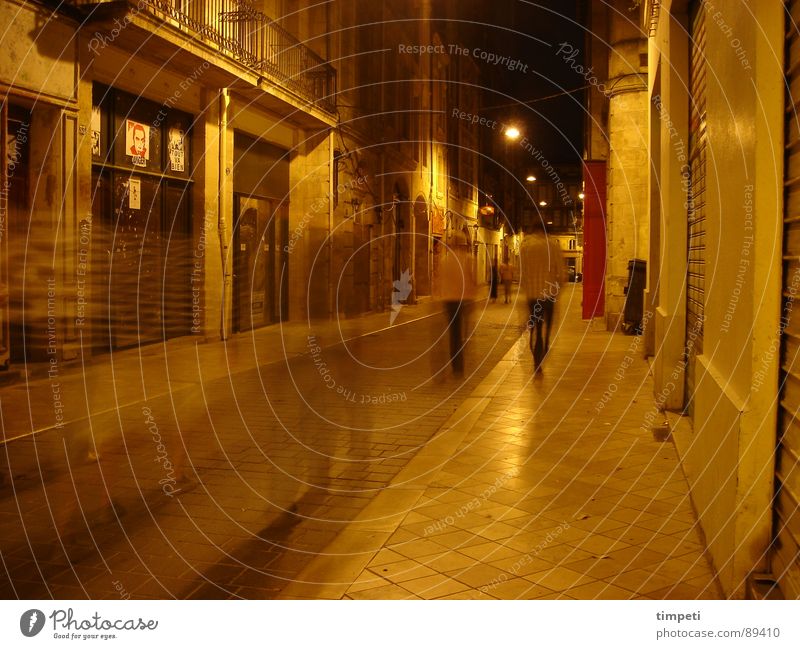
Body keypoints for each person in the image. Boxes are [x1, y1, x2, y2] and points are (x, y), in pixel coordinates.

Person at [519, 222, 564, 375]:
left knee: (535, 328)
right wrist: (558, 288)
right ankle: (544, 346)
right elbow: (562, 274)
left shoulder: (525, 246)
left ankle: (535, 355)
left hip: (532, 295)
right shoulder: (553, 245)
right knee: (547, 328)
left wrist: (526, 286)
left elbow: (522, 272)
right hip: (548, 295)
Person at [439, 233, 476, 377]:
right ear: (463, 245)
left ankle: (456, 365)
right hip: (463, 300)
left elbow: (441, 279)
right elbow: (470, 279)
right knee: (462, 333)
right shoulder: (468, 259)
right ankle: (459, 364)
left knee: (454, 333)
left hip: (449, 301)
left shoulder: (444, 260)